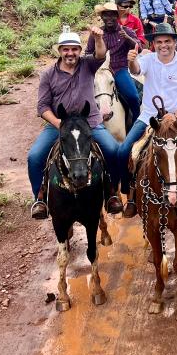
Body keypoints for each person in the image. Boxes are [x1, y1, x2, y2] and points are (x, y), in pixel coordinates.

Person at [117, 23, 177, 217]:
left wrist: (176, 114)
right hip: (150, 117)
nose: (163, 45)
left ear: (175, 42)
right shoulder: (148, 60)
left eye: (168, 41)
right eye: (159, 41)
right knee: (123, 151)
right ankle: (130, 194)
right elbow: (136, 70)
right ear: (153, 44)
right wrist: (131, 61)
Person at [28, 25, 126, 219]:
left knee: (114, 151)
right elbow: (43, 106)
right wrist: (58, 123)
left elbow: (100, 55)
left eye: (74, 49)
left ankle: (112, 193)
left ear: (80, 51)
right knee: (35, 156)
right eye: (66, 49)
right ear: (60, 51)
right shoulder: (48, 74)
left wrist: (98, 38)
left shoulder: (87, 65)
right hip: (59, 124)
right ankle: (40, 197)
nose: (70, 53)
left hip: (89, 122)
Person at [89, 1, 142, 129]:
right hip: (100, 71)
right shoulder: (97, 33)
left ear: (117, 16)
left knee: (133, 97)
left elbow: (139, 48)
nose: (109, 18)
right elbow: (88, 52)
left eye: (112, 15)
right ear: (101, 17)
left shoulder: (126, 31)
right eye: (106, 15)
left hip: (119, 69)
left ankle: (136, 127)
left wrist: (127, 38)